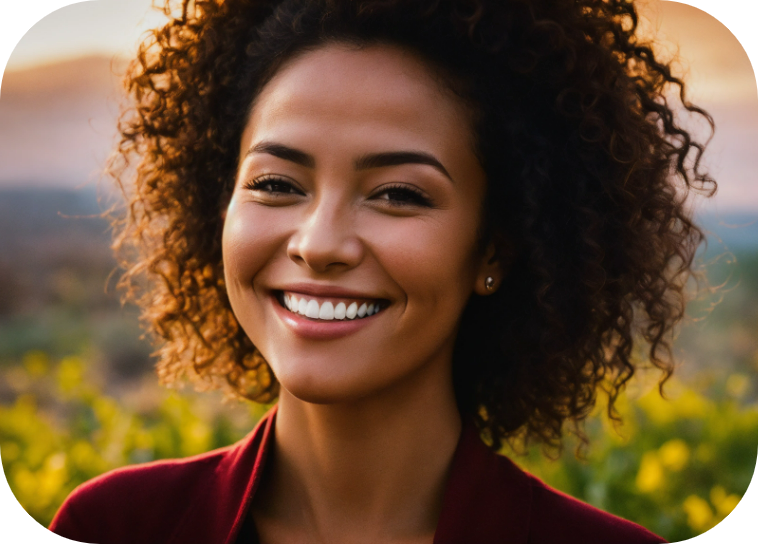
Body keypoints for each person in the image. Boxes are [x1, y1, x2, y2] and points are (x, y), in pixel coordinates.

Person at [49, 0, 715, 542]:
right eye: (277, 183)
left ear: (494, 251)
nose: (318, 243)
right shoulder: (114, 528)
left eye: (399, 194)